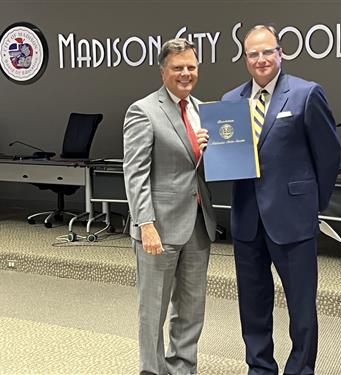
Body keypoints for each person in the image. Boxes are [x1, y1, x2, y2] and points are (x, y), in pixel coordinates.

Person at [198, 25, 341, 374]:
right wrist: (209, 149)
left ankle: (300, 369)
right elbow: (228, 159)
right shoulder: (231, 101)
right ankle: (260, 366)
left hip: (293, 218)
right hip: (247, 217)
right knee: (253, 302)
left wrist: (313, 206)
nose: (260, 59)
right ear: (245, 58)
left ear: (280, 53)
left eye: (267, 52)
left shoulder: (306, 94)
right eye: (253, 54)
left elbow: (328, 155)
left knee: (301, 305)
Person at [123, 38, 216, 375]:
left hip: (197, 224)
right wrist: (145, 224)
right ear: (163, 71)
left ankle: (182, 368)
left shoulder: (202, 110)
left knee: (191, 308)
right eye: (178, 67)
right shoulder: (143, 110)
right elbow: (135, 173)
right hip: (158, 228)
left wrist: (213, 152)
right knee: (153, 310)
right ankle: (151, 370)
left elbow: (200, 169)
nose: (186, 73)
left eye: (191, 66)